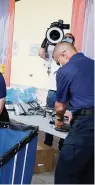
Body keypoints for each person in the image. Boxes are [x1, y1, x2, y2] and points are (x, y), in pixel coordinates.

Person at [52, 41, 94, 184]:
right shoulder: (92, 64)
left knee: (66, 175)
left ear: (63, 54)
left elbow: (59, 106)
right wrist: (75, 111)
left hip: (85, 126)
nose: (60, 65)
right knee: (89, 173)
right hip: (87, 118)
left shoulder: (65, 70)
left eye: (59, 62)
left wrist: (59, 119)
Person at [38, 33, 75, 150]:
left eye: (70, 39)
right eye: (66, 38)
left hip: (68, 94)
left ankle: (62, 145)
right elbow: (41, 53)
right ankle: (47, 143)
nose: (68, 40)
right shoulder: (55, 55)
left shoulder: (73, 57)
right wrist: (46, 39)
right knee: (50, 117)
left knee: (64, 119)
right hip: (53, 92)